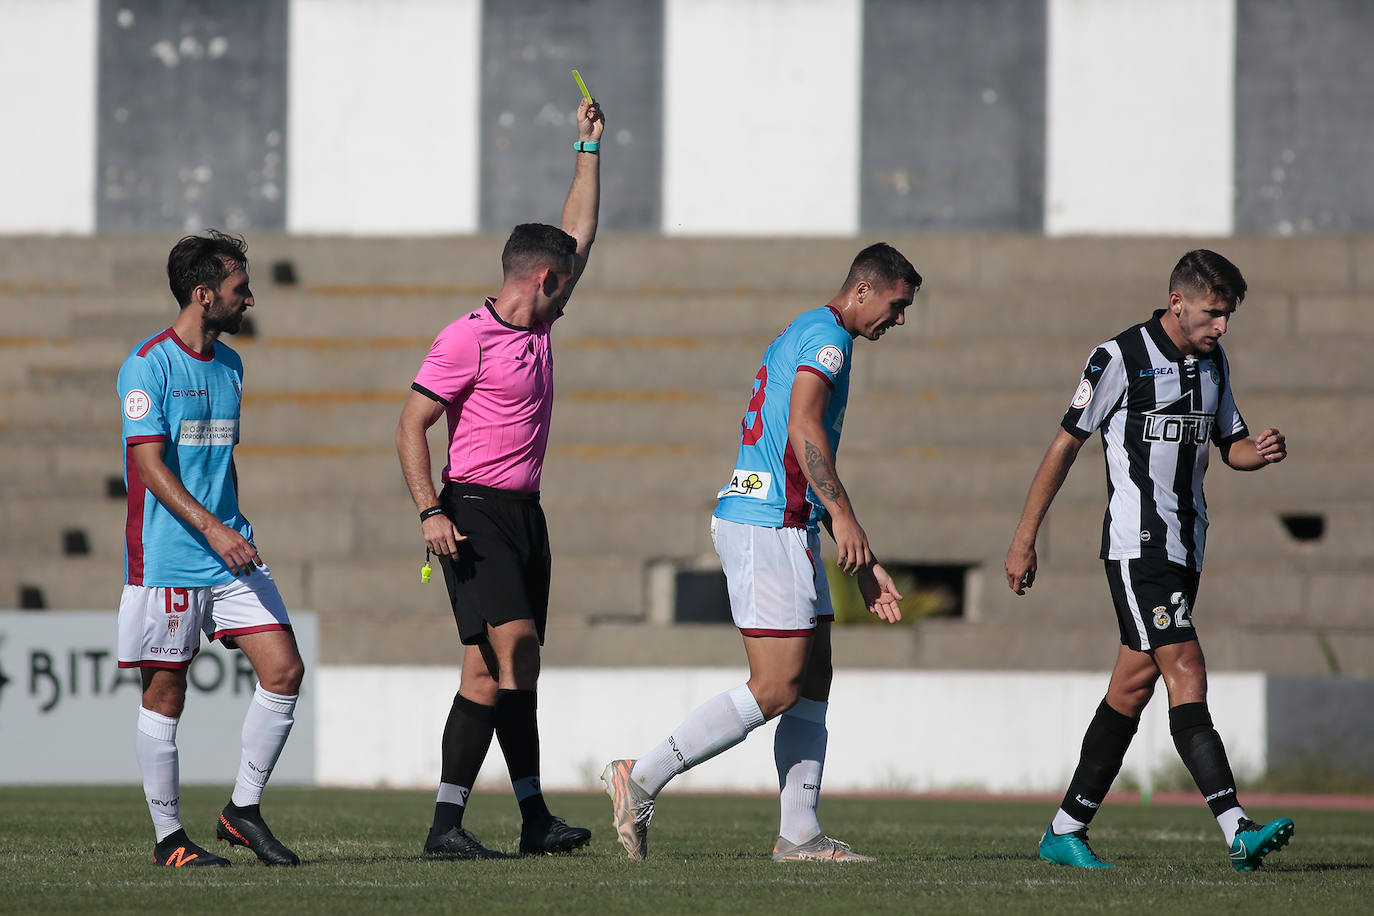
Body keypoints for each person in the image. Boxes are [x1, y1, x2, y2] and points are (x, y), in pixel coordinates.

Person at [601, 243, 920, 862]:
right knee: (775, 687)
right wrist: (848, 520)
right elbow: (803, 430)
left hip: (785, 520)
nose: (899, 319)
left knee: (813, 679)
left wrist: (860, 554)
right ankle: (640, 775)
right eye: (897, 304)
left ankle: (800, 834)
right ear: (864, 290)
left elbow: (795, 445)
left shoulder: (807, 329)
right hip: (766, 523)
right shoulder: (830, 341)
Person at [1004, 249, 1293, 872]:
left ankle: (1065, 829)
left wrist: (1259, 450)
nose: (1222, 327)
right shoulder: (1118, 358)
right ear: (1177, 302)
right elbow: (1064, 445)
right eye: (1214, 314)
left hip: (1188, 549)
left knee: (1131, 688)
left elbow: (1230, 445)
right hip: (1139, 550)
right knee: (1186, 667)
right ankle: (1237, 826)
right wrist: (1025, 537)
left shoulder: (1212, 362)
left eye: (1228, 317)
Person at [395, 95, 604, 859]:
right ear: (544, 278)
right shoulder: (466, 339)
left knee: (492, 673)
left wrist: (587, 150)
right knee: (515, 656)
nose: (572, 286)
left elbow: (577, 232)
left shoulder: (541, 320)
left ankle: (461, 826)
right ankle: (522, 818)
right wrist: (429, 512)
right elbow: (409, 425)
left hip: (525, 515)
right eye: (567, 279)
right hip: (472, 511)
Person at [116, 231, 304, 868]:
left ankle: (241, 811)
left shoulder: (231, 364)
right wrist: (213, 529)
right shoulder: (147, 365)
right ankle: (170, 839)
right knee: (166, 694)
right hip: (169, 556)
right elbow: (149, 465)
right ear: (204, 295)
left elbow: (213, 464)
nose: (248, 299)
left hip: (231, 550)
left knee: (284, 670)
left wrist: (230, 531)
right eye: (238, 288)